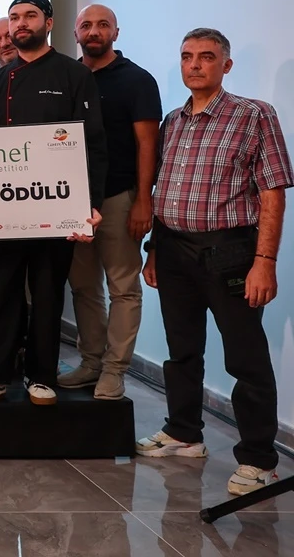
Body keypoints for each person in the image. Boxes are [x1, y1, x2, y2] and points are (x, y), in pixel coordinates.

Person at [137, 28, 291, 497]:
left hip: (231, 253)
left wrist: (265, 261)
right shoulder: (173, 120)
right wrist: (155, 250)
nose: (195, 65)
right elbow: (164, 189)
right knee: (182, 350)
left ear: (226, 65)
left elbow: (272, 193)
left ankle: (260, 460)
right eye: (187, 56)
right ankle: (184, 432)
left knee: (246, 358)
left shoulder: (254, 115)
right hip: (174, 249)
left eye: (206, 56)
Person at [0, 0, 107, 409]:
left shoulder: (74, 74)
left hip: (57, 207)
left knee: (47, 294)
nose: (21, 24)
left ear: (49, 22)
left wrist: (90, 204)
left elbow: (93, 144)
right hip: (4, 208)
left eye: (30, 16)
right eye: (14, 18)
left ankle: (41, 376)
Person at [60, 5, 162, 400]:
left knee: (123, 288)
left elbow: (147, 144)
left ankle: (115, 370)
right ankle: (91, 362)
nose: (94, 31)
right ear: (75, 33)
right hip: (74, 201)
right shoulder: (67, 77)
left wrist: (143, 201)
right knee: (84, 287)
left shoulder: (137, 80)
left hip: (120, 197)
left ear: (116, 33)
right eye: (86, 25)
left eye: (103, 25)